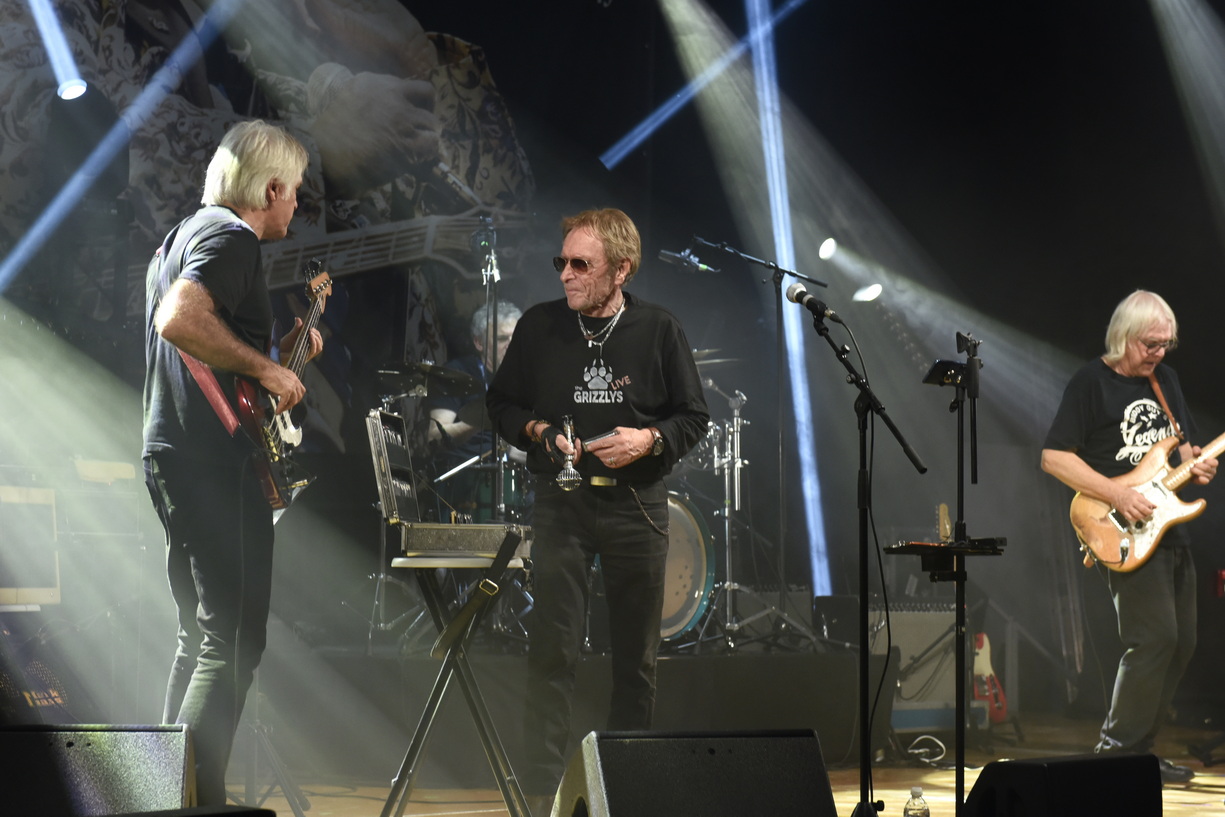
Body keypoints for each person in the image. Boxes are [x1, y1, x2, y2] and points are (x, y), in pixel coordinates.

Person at [486, 208, 710, 806]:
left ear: (621, 270)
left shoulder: (658, 328)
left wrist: (649, 440)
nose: (565, 274)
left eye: (581, 264)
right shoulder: (539, 326)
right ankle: (541, 798)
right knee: (552, 652)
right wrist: (536, 430)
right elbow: (500, 403)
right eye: (561, 262)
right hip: (562, 505)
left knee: (635, 661)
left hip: (637, 506)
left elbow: (694, 416)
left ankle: (625, 795)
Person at [142, 120, 323, 806]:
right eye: (295, 190)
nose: (297, 203)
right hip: (211, 463)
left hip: (173, 452)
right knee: (234, 638)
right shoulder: (232, 238)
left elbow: (209, 355)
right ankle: (194, 799)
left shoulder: (178, 237)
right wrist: (269, 370)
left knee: (201, 637)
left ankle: (165, 792)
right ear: (271, 189)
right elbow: (181, 320)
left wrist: (276, 358)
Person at [1041, 289, 1217, 784]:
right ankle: (1114, 753)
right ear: (1124, 336)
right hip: (1121, 527)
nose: (1158, 353)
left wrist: (1198, 465)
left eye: (1166, 345)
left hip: (1169, 527)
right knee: (1154, 638)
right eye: (1150, 344)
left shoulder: (1166, 381)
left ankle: (1140, 752)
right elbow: (1054, 457)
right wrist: (1117, 495)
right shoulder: (1090, 383)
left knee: (1181, 645)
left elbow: (1183, 449)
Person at [427, 300, 526, 521]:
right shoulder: (458, 374)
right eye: (502, 339)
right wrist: (481, 418)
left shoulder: (529, 378)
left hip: (517, 480)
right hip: (464, 480)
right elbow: (435, 436)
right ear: (479, 342)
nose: (511, 345)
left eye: (516, 338)